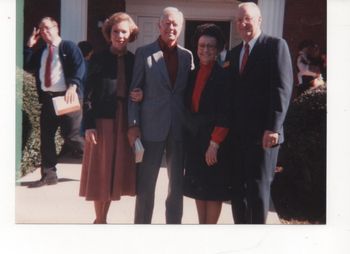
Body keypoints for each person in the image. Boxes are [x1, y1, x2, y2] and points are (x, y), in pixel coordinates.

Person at [227, 2, 293, 224]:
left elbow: (282, 89)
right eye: (239, 20)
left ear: (259, 20)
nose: (242, 23)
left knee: (257, 190)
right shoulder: (234, 53)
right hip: (238, 137)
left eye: (247, 18)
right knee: (237, 189)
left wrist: (274, 127)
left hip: (264, 135)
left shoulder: (275, 46)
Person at [127, 7, 194, 224]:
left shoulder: (187, 56)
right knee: (146, 184)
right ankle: (142, 226)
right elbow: (133, 92)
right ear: (159, 26)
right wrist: (133, 124)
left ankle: (173, 227)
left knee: (176, 185)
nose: (171, 28)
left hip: (178, 129)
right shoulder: (144, 53)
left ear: (181, 27)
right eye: (167, 23)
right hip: (150, 127)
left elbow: (188, 93)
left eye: (175, 24)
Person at [79, 12, 141, 224]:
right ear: (109, 34)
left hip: (125, 121)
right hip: (102, 121)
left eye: (124, 31)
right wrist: (88, 126)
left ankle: (103, 219)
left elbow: (142, 88)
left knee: (115, 170)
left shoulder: (135, 60)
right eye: (115, 31)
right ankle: (99, 220)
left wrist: (140, 93)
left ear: (131, 33)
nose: (120, 36)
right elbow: (86, 95)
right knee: (101, 170)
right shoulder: (98, 58)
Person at [24, 17, 85, 188]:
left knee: (72, 137)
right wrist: (29, 46)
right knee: (47, 138)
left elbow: (79, 66)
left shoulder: (68, 46)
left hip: (67, 97)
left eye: (47, 28)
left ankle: (101, 163)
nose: (44, 32)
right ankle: (49, 176)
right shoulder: (42, 50)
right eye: (41, 29)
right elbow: (28, 65)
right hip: (49, 99)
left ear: (56, 28)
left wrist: (73, 86)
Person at [183, 24, 232, 224]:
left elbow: (226, 113)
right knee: (199, 189)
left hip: (214, 142)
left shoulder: (224, 76)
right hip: (195, 141)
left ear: (218, 49)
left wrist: (215, 143)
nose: (205, 50)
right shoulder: (191, 74)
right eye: (202, 45)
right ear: (197, 48)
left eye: (211, 46)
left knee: (212, 191)